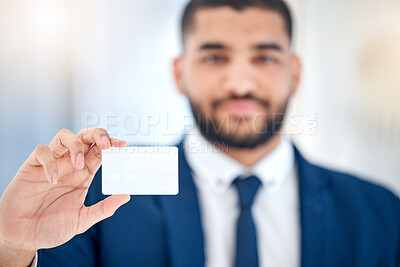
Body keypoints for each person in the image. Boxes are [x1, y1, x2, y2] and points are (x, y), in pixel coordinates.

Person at [0, 0, 399, 266]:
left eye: (264, 57)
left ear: (294, 73)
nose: (240, 81)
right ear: (179, 73)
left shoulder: (380, 213)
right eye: (214, 56)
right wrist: (12, 247)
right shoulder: (96, 197)